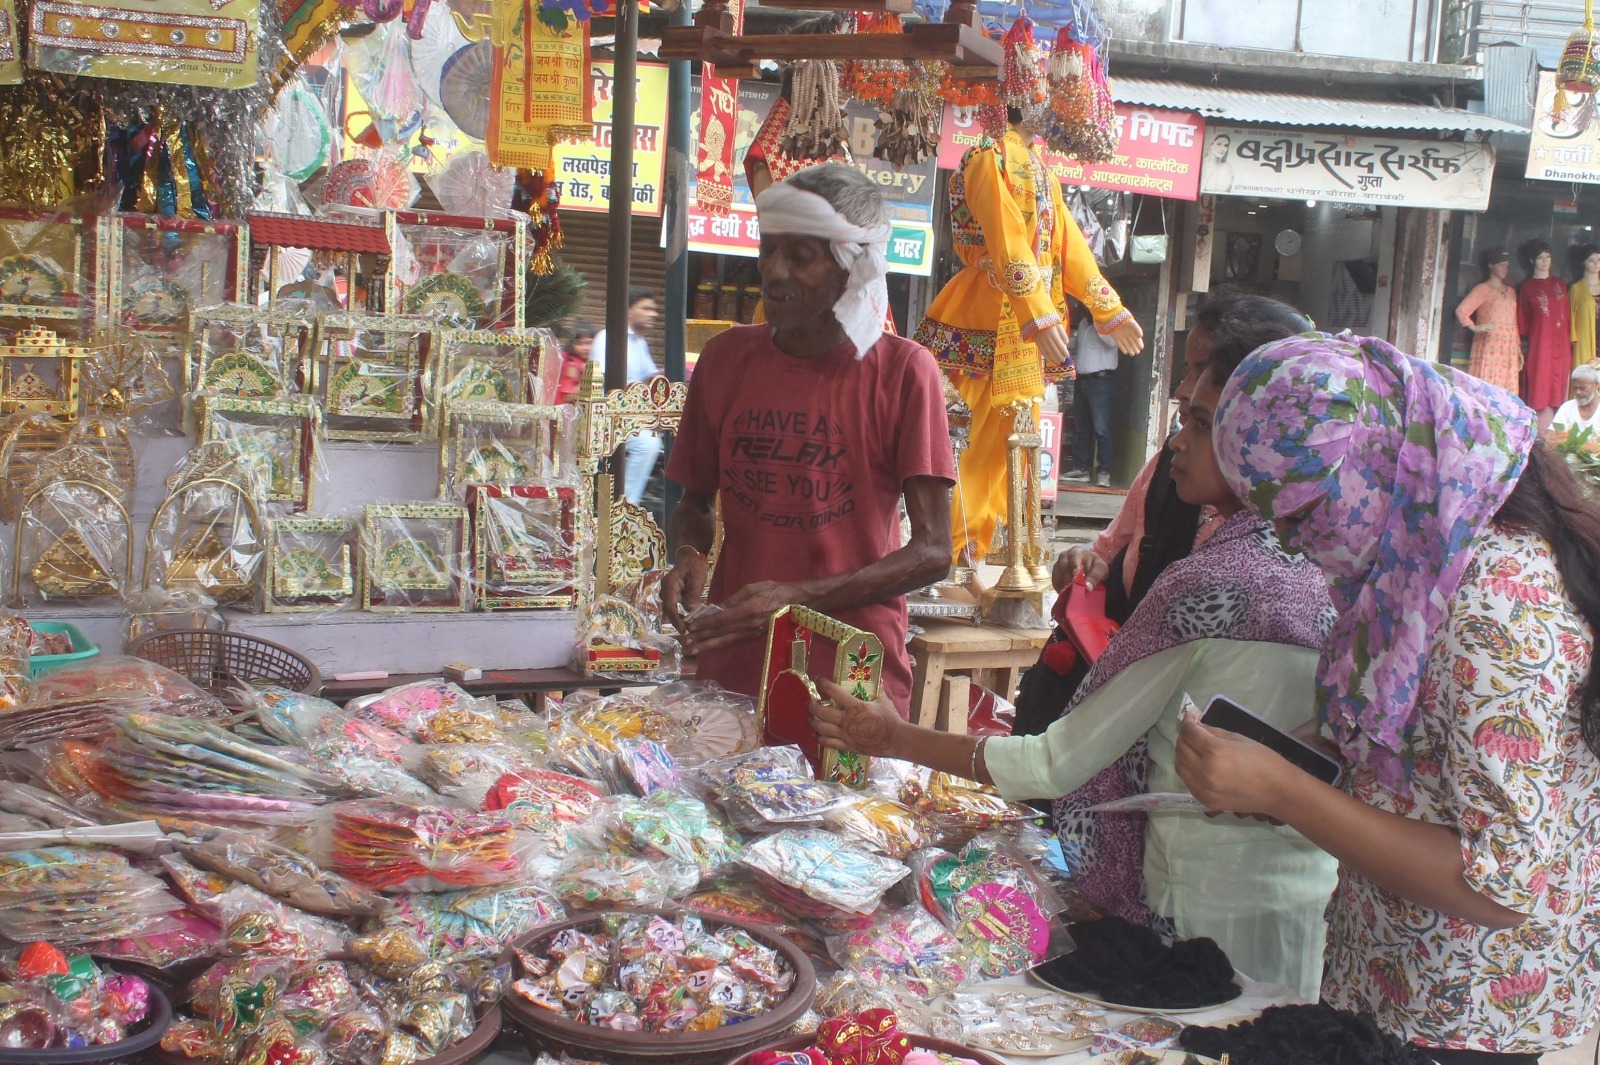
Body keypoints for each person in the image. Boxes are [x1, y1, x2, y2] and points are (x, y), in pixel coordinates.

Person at [810, 327, 1340, 1000]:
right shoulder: (1347, 573)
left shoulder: (1214, 585)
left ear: (1262, 440)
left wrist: (891, 736)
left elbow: (1053, 762)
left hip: (1204, 925)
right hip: (1309, 912)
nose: (1176, 441)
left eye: (1201, 424)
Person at [1176, 332, 1600, 1062]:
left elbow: (1499, 884)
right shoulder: (1415, 555)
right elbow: (1403, 746)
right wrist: (1293, 760)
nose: (1286, 537)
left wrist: (1283, 790)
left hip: (1466, 1017)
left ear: (1378, 462)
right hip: (1383, 981)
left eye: (1301, 509)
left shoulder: (1499, 600)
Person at [660, 164, 954, 715]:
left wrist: (794, 598)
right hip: (733, 665)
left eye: (800, 257)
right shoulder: (725, 360)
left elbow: (934, 552)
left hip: (851, 676)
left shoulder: (904, 371)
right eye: (768, 250)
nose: (773, 272)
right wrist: (689, 554)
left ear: (852, 268)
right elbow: (695, 502)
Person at [1015, 292, 1313, 739]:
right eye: (1192, 369)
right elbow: (1107, 553)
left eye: (1201, 371)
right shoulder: (1172, 469)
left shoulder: (1293, 534)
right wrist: (1086, 567)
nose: (1182, 388)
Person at [914, 100, 1143, 583]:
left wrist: (1107, 306)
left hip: (1025, 328)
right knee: (967, 443)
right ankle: (948, 551)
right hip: (980, 317)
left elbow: (1069, 246)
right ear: (1019, 102)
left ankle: (982, 550)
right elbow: (1005, 239)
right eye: (1046, 99)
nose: (1057, 110)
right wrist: (1036, 314)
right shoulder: (986, 158)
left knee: (1010, 448)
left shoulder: (1041, 168)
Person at [595, 289, 661, 504]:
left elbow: (650, 377)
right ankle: (625, 504)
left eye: (654, 310)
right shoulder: (608, 337)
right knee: (646, 444)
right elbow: (605, 379)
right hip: (607, 414)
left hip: (630, 414)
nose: (653, 314)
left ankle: (632, 501)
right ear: (629, 311)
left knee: (657, 440)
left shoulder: (640, 343)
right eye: (646, 308)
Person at [1063, 305, 1122, 488]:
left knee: (1101, 429)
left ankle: (1104, 472)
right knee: (1082, 428)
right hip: (1082, 381)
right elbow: (1077, 346)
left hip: (1101, 382)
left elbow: (1111, 343)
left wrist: (1098, 320)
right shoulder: (1082, 323)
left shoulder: (1111, 323)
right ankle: (1081, 469)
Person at [1517, 240, 1571, 431]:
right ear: (1532, 260)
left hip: (1562, 345)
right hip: (1540, 344)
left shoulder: (1560, 284)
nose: (1545, 261)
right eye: (1540, 257)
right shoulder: (1527, 287)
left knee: (1559, 388)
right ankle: (1539, 437)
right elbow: (1523, 322)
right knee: (1541, 385)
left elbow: (1567, 317)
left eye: (1548, 256)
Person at [1455, 248, 1519, 393]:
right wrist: (1475, 327)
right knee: (1487, 385)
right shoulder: (1483, 289)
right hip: (1490, 344)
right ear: (1491, 265)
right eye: (1501, 265)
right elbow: (1462, 311)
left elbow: (1514, 320)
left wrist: (1517, 347)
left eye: (1507, 266)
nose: (1505, 269)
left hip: (1508, 345)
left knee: (1507, 385)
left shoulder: (1511, 292)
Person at [1570, 245, 1600, 370]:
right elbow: (1570, 318)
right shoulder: (1576, 289)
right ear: (1584, 262)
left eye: (1598, 260)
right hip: (1585, 339)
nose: (1596, 264)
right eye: (1591, 260)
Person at [554, 321, 596, 406]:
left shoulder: (589, 361)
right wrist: (586, 379)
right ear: (572, 344)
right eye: (580, 343)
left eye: (589, 343)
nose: (585, 348)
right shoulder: (571, 364)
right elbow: (568, 397)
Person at [1552, 362, 1600, 434]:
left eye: (1582, 388)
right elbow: (1551, 434)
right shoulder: (1567, 407)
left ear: (1596, 385)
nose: (1578, 392)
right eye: (1575, 388)